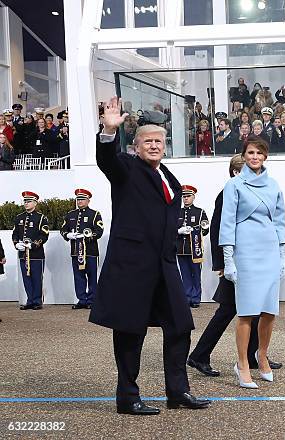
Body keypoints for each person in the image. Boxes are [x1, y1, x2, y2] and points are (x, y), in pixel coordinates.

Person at [90, 97, 209, 415]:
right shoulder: (127, 168)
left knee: (180, 326)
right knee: (131, 331)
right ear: (136, 146)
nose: (154, 146)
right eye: (148, 141)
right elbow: (108, 161)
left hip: (165, 265)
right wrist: (108, 131)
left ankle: (178, 391)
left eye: (159, 141)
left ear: (165, 145)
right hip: (133, 266)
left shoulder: (169, 177)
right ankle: (127, 397)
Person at [188, 155, 282, 377]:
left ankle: (252, 355)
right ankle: (200, 355)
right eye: (244, 170)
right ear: (235, 172)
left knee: (253, 308)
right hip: (236, 264)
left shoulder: (250, 192)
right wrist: (222, 264)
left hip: (250, 262)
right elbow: (220, 231)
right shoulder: (228, 193)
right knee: (228, 310)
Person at [219, 136, 285, 389]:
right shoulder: (234, 185)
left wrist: (281, 255)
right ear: (244, 155)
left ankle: (262, 355)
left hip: (269, 250)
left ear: (265, 156)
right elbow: (227, 223)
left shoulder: (274, 185)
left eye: (259, 152)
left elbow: (280, 221)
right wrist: (229, 260)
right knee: (247, 312)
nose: (255, 156)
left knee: (269, 311)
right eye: (250, 152)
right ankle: (242, 364)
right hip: (246, 251)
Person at [60, 189, 104, 309]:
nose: (79, 201)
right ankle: (82, 300)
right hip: (75, 252)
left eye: (82, 199)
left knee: (92, 276)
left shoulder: (94, 214)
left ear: (88, 200)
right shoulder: (70, 215)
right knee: (78, 276)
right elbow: (63, 229)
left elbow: (99, 231)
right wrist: (68, 235)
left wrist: (87, 236)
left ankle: (92, 300)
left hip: (90, 252)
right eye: (78, 199)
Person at [12, 191, 49, 310]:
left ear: (35, 203)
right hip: (23, 254)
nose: (26, 203)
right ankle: (30, 300)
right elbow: (15, 233)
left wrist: (34, 245)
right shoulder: (19, 217)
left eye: (29, 201)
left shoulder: (41, 218)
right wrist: (16, 244)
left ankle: (37, 301)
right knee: (26, 278)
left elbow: (44, 235)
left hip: (36, 254)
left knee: (37, 278)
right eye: (25, 201)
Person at [176, 185, 209, 308]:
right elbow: (170, 229)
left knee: (195, 274)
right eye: (184, 196)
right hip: (181, 249)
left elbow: (206, 230)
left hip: (195, 249)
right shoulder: (177, 212)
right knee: (184, 275)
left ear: (193, 197)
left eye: (188, 196)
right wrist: (179, 230)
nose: (185, 199)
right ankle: (186, 297)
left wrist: (197, 229)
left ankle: (195, 298)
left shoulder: (200, 212)